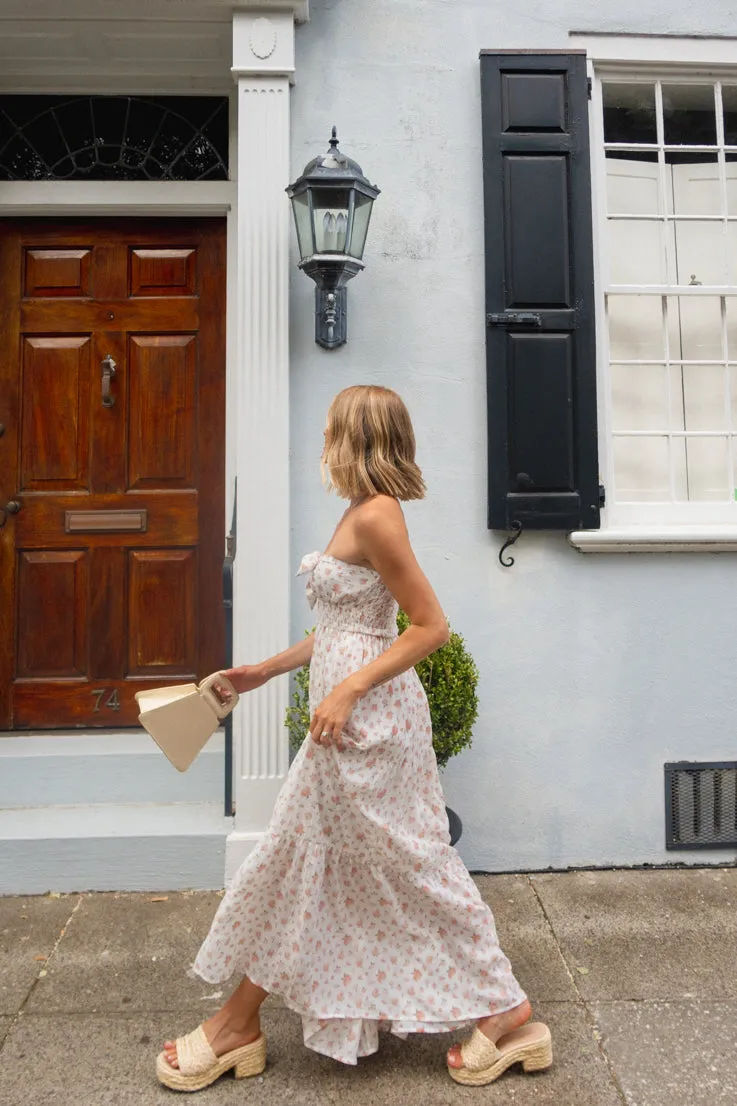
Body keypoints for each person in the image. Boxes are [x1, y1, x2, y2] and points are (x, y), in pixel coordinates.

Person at [156, 384, 551, 1091]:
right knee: (310, 865)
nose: (324, 445)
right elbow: (344, 629)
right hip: (348, 728)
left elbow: (430, 627)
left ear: (354, 440)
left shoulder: (378, 519)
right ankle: (238, 1022)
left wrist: (348, 689)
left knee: (403, 863)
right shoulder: (359, 514)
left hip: (370, 728)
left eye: (332, 431)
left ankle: (504, 1006)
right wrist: (260, 673)